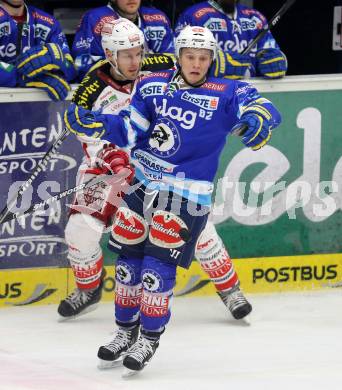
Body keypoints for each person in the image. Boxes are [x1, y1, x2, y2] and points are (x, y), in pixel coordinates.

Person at [64, 25, 281, 374]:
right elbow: (130, 129)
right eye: (190, 56)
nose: (196, 64)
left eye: (204, 58)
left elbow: (261, 104)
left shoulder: (226, 92)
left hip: (183, 194)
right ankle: (124, 331)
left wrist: (259, 118)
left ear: (212, 60)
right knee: (126, 266)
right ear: (178, 56)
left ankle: (149, 337)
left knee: (155, 271)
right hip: (141, 185)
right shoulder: (152, 85)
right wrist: (96, 123)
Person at [175, 0, 288, 80]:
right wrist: (213, 66)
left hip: (253, 95)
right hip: (213, 96)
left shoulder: (255, 17)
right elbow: (177, 60)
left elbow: (271, 50)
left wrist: (278, 61)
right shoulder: (193, 16)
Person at [72, 0, 175, 80]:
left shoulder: (158, 18)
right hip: (110, 90)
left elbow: (174, 60)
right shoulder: (94, 19)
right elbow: (83, 67)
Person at [0, 0, 76, 100]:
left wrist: (58, 67)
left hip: (39, 109)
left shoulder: (49, 23)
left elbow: (70, 69)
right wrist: (21, 77)